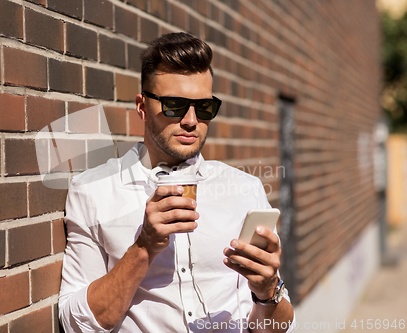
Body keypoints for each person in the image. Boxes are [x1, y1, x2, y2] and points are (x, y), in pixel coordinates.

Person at [59, 32, 295, 333]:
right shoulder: (94, 191)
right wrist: (144, 247)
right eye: (174, 105)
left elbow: (277, 327)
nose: (191, 120)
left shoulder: (244, 189)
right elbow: (75, 323)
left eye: (204, 107)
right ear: (142, 107)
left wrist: (268, 292)